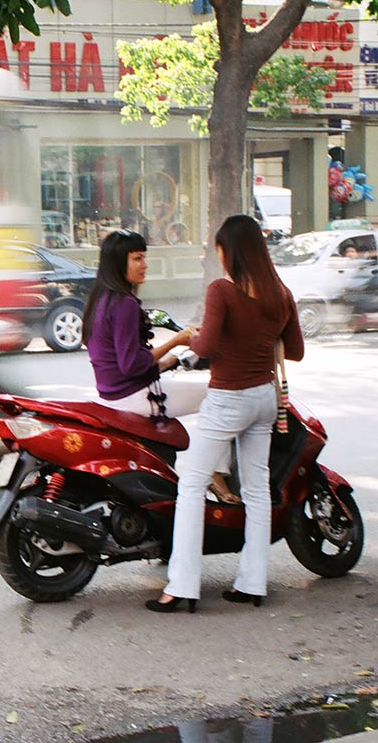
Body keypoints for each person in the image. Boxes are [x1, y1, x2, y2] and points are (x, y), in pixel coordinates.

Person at [146, 215, 304, 614]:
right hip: (265, 399)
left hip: (229, 398)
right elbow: (296, 350)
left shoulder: (222, 291)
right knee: (256, 492)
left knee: (192, 485)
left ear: (228, 252)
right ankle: (252, 583)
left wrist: (193, 335)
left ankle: (181, 586)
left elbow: (206, 346)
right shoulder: (281, 295)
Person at [82, 229, 237, 503]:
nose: (145, 265)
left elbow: (123, 362)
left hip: (114, 395)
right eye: (137, 258)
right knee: (221, 395)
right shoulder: (125, 304)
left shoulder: (100, 299)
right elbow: (132, 365)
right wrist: (177, 339)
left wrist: (171, 359)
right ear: (119, 262)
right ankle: (214, 474)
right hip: (135, 397)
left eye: (144, 258)